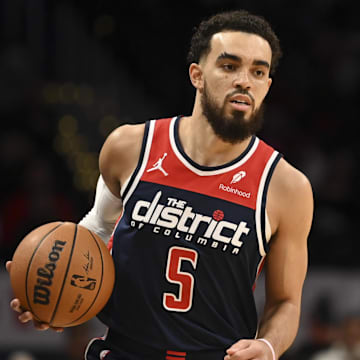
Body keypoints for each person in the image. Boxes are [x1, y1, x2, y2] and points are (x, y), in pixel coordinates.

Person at [6, 9, 314, 360]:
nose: (245, 80)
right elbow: (97, 229)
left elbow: (286, 302)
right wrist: (53, 285)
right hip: (125, 351)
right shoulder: (129, 147)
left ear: (267, 86)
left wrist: (268, 346)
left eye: (258, 71)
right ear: (197, 75)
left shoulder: (286, 187)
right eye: (229, 66)